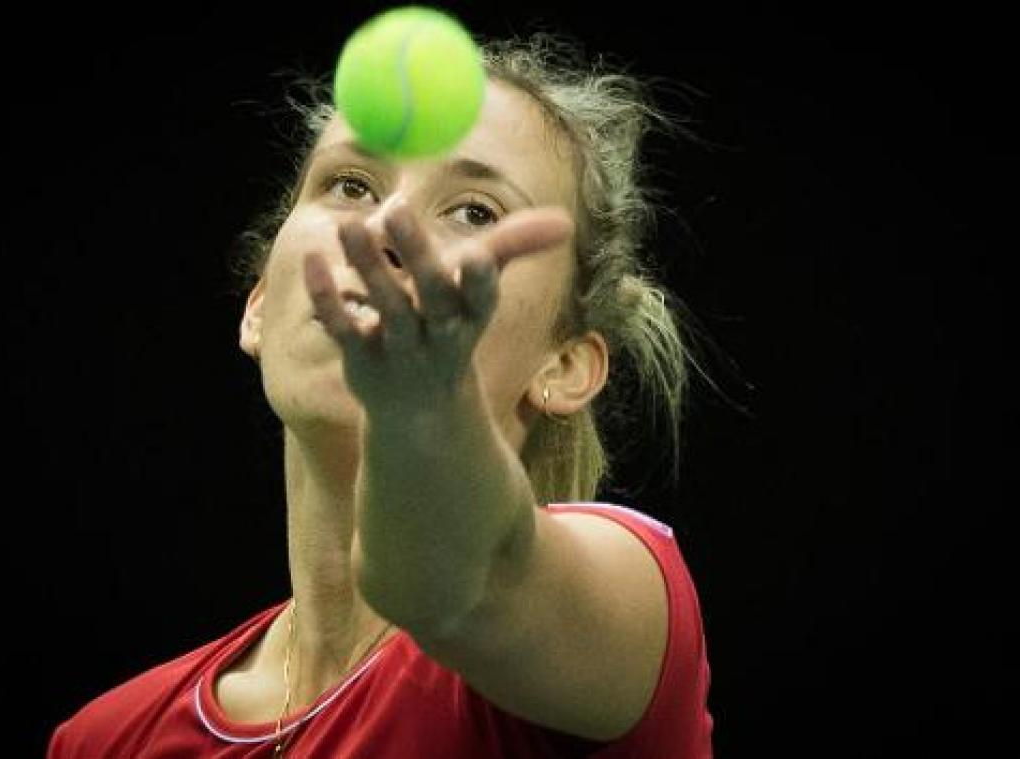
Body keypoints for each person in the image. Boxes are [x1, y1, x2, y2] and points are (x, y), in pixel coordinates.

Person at [47, 30, 715, 758]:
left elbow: (453, 584)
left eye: (475, 211)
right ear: (260, 304)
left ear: (565, 365)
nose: (384, 230)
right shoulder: (103, 740)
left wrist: (420, 413)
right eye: (351, 186)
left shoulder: (632, 608)